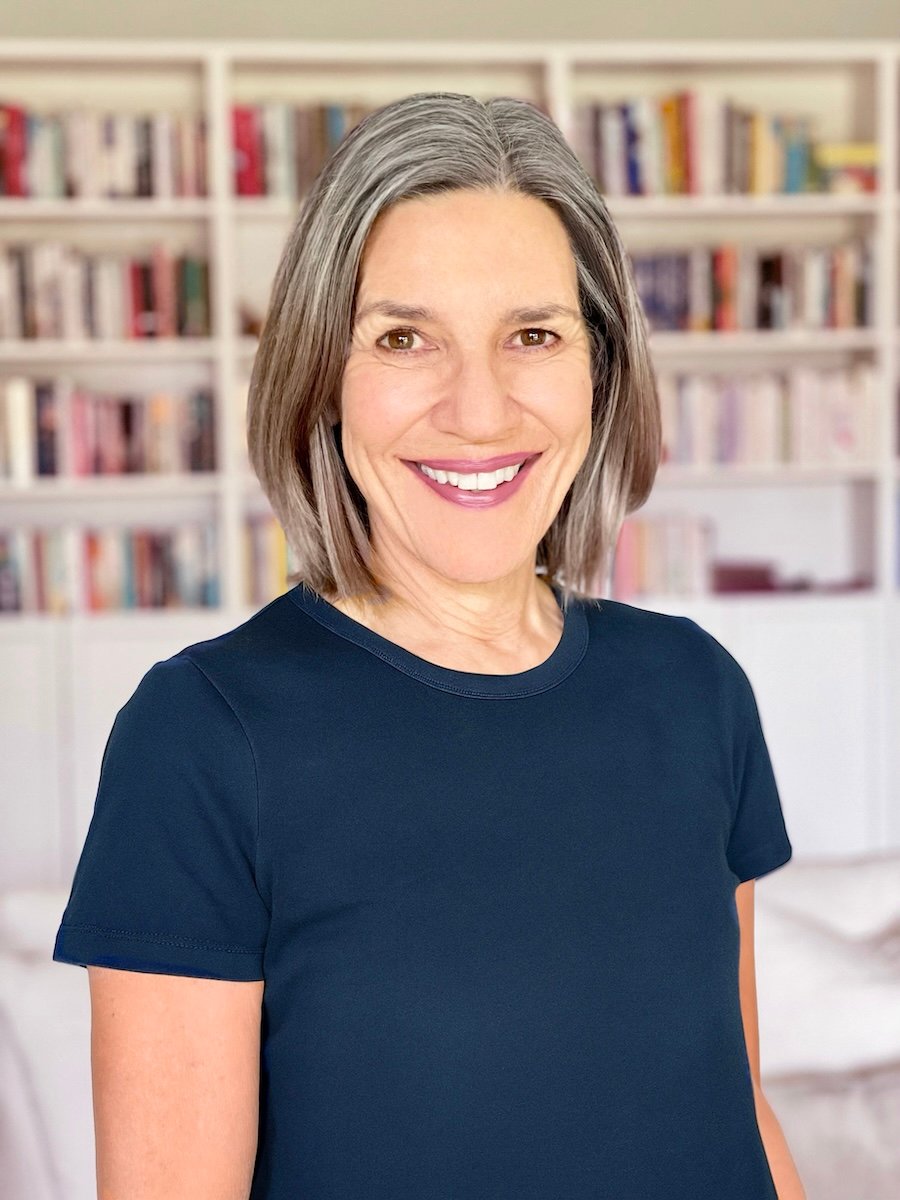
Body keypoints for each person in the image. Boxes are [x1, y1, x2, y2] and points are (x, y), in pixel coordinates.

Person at [52, 91, 805, 1199]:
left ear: (598, 371)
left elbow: (734, 1106)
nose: (479, 410)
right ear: (323, 376)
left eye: (533, 335)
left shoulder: (695, 688)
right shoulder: (203, 737)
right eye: (405, 338)